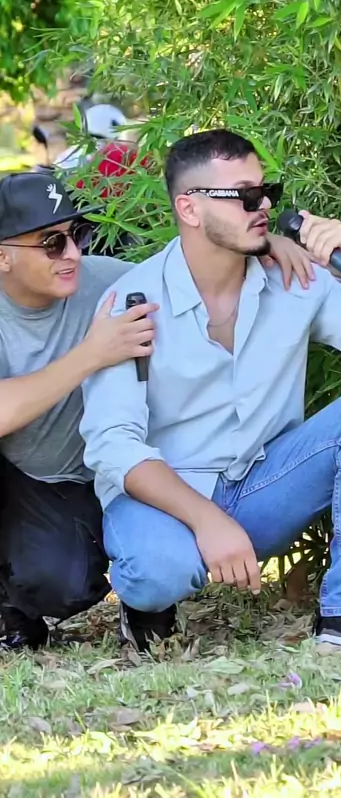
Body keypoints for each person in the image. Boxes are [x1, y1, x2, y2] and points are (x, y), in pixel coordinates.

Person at [80, 129, 341, 656]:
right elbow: (113, 445)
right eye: (244, 196)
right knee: (156, 572)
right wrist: (206, 519)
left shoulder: (293, 276)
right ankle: (149, 603)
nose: (263, 205)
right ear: (189, 207)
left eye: (267, 191)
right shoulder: (133, 301)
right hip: (167, 499)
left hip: (263, 486)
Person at [0, 170, 313, 651]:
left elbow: (192, 268)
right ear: (3, 255)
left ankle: (144, 596)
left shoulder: (111, 281)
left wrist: (264, 245)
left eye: (78, 234)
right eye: (51, 244)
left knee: (105, 557)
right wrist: (92, 353)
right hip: (22, 479)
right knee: (58, 584)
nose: (73, 254)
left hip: (113, 469)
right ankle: (10, 604)